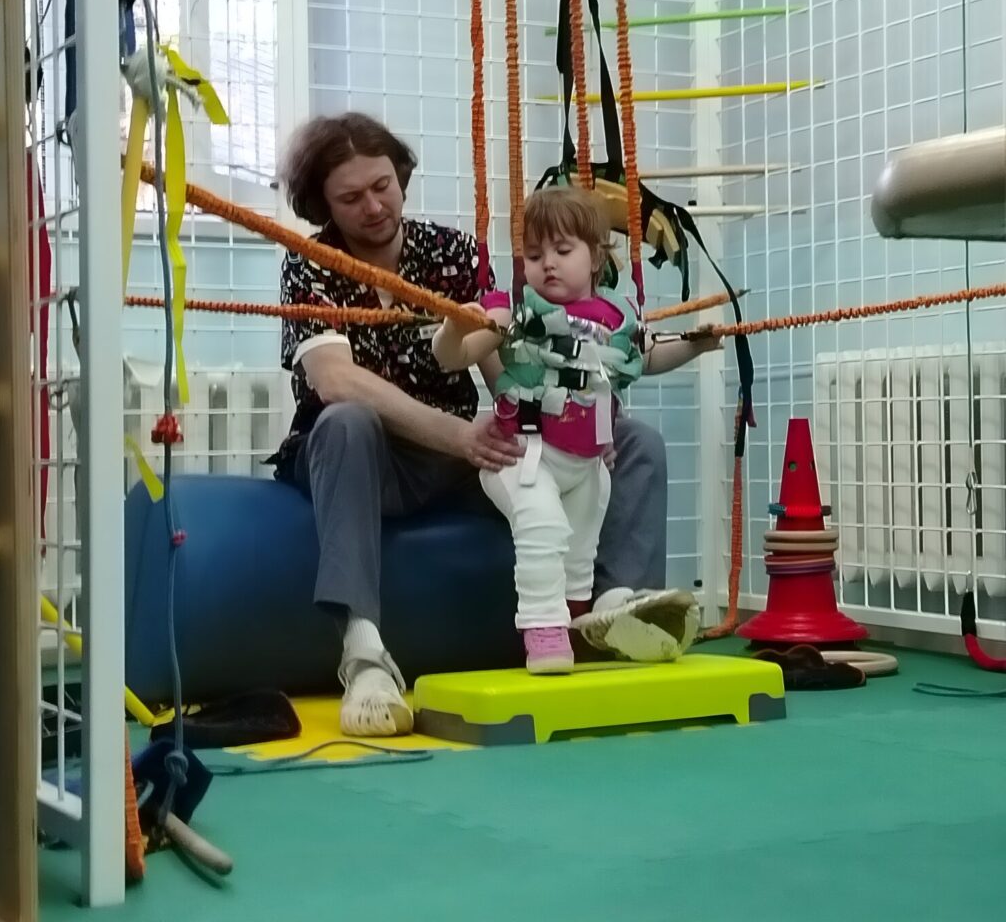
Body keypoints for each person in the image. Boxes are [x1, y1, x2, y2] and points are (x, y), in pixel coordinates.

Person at [271, 112, 711, 737]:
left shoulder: (450, 251)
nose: (373, 206)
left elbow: (506, 362)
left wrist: (577, 425)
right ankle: (364, 654)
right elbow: (336, 380)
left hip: (456, 457)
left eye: (383, 186)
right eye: (350, 198)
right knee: (346, 421)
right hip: (369, 458)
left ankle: (614, 618)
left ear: (400, 177)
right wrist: (458, 435)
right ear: (323, 204)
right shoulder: (311, 263)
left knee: (633, 439)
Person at [432, 187, 721, 674]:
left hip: (587, 463)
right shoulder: (511, 310)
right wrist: (456, 328)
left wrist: (697, 345)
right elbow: (452, 357)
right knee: (542, 526)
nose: (547, 264)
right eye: (533, 255)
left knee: (580, 552)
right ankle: (542, 630)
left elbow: (648, 357)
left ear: (595, 257)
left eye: (562, 251)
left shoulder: (617, 317)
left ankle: (582, 623)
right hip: (523, 456)